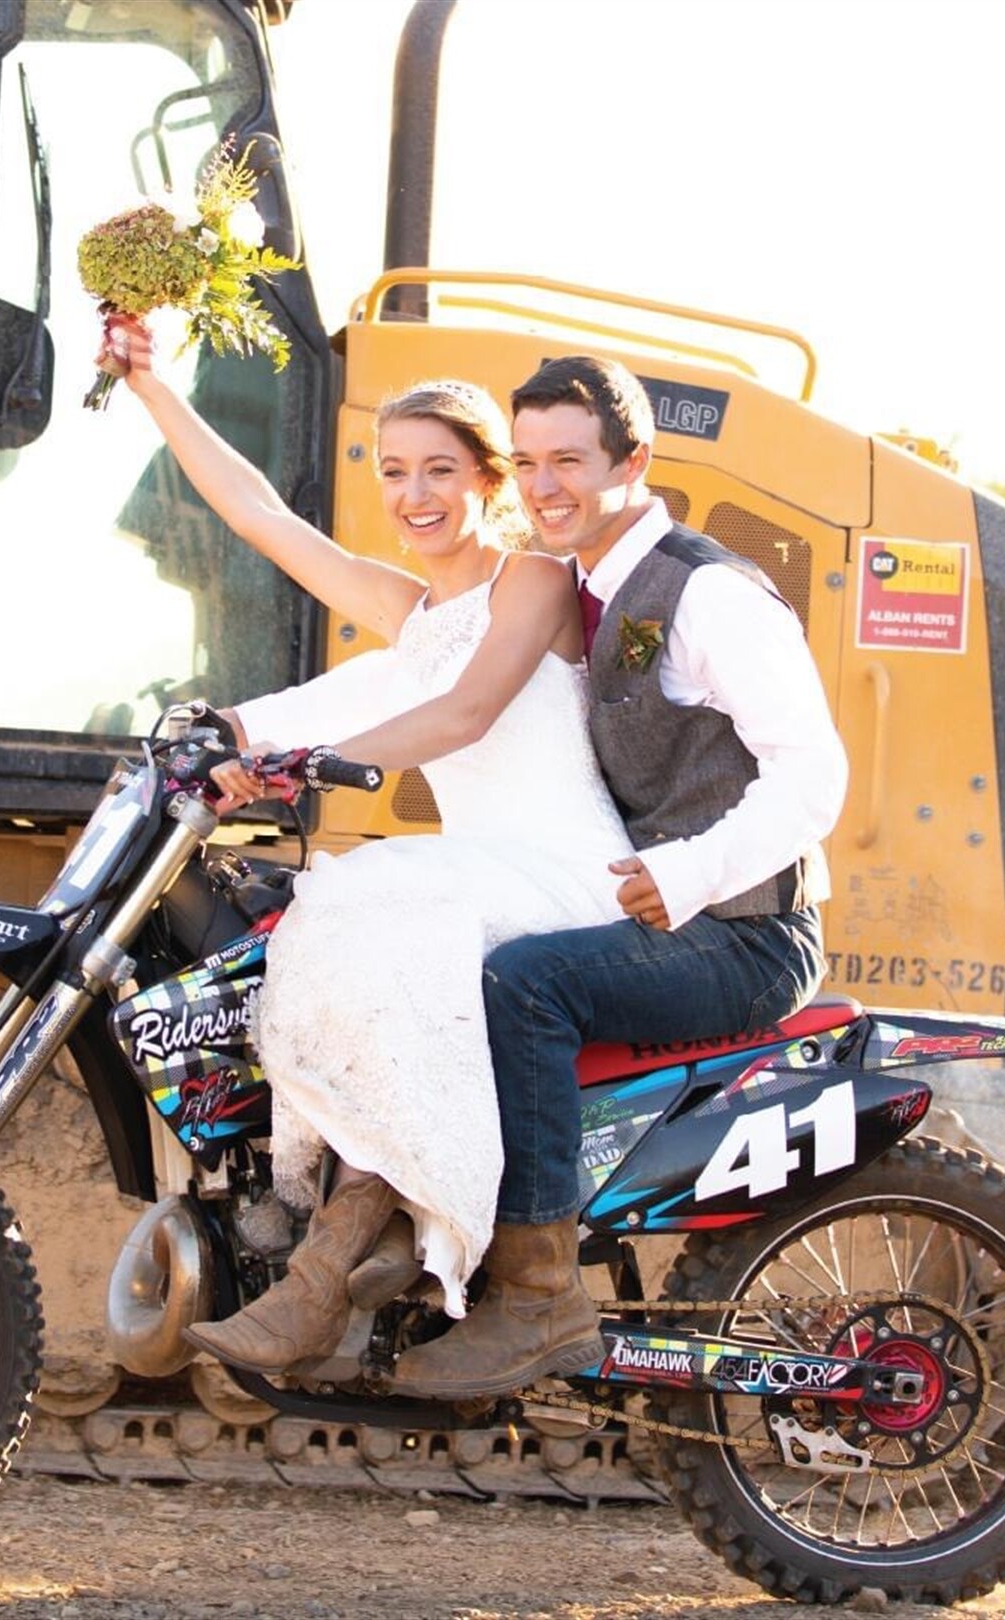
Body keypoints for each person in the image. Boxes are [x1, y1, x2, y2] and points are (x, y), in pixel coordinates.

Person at [96, 319, 635, 1374]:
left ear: (490, 479)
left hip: (567, 876)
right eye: (394, 472)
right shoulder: (410, 608)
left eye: (440, 468)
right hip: (481, 877)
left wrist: (310, 760)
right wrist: (152, 384)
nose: (414, 493)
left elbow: (466, 716)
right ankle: (340, 1260)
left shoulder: (529, 582)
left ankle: (337, 1272)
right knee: (328, 921)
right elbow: (259, 516)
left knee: (373, 910)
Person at [391, 354, 849, 1399]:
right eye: (529, 462)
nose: (545, 485)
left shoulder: (708, 595)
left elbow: (816, 774)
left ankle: (542, 1302)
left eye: (572, 462)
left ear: (635, 462)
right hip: (678, 917)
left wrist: (685, 869)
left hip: (745, 935)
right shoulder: (587, 591)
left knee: (526, 983)